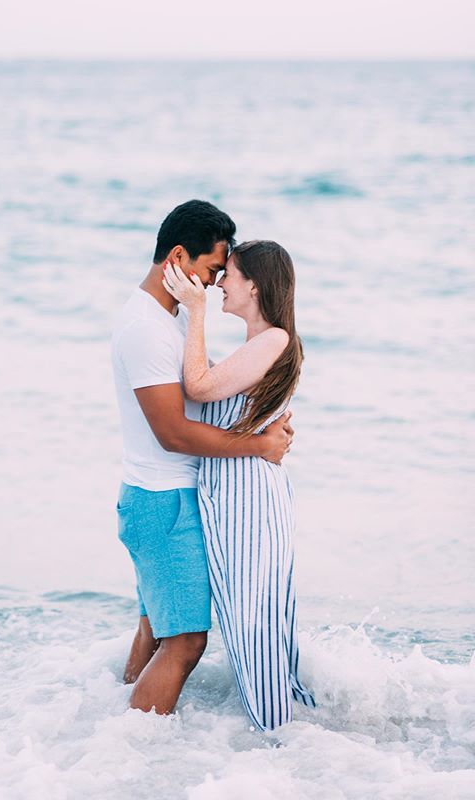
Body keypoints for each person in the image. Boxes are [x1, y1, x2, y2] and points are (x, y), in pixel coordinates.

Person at [111, 201, 294, 717]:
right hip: (164, 501)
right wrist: (260, 446)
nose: (214, 284)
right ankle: (133, 752)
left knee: (156, 628)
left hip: (157, 500)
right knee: (186, 641)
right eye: (213, 268)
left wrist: (264, 419)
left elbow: (210, 391)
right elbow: (173, 433)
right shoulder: (147, 328)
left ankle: (115, 733)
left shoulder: (163, 320)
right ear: (177, 256)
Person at [162, 239, 316, 730]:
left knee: (256, 622)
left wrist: (195, 310)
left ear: (254, 284)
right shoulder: (258, 344)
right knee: (245, 619)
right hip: (234, 493)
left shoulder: (273, 339)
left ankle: (281, 740)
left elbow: (200, 387)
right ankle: (280, 733)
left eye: (228, 275)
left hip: (249, 496)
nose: (220, 283)